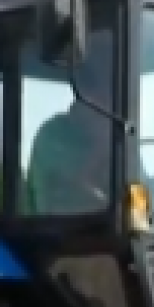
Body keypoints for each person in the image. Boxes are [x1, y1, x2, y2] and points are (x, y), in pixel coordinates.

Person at [26, 54, 116, 216]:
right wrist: (102, 147)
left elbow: (140, 191)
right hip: (58, 233)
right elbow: (74, 191)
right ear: (85, 94)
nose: (110, 103)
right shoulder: (54, 134)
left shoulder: (120, 136)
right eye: (104, 96)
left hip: (109, 231)